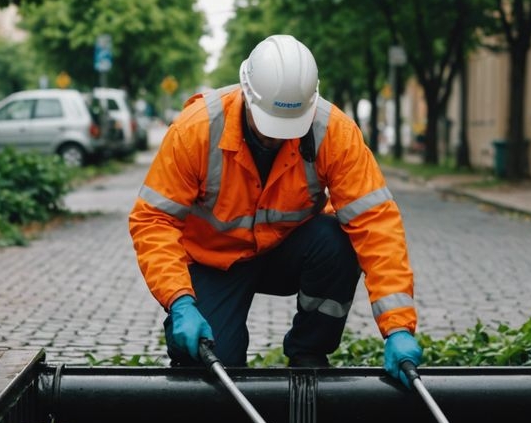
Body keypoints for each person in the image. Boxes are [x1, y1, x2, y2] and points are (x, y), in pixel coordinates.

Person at [128, 34, 423, 386]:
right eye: (270, 128)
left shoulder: (334, 132)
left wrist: (398, 327)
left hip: (285, 252)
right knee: (213, 371)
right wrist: (179, 301)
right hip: (213, 262)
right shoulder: (196, 130)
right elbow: (153, 220)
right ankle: (203, 344)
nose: (279, 139)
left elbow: (375, 224)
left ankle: (309, 353)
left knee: (337, 239)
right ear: (247, 95)